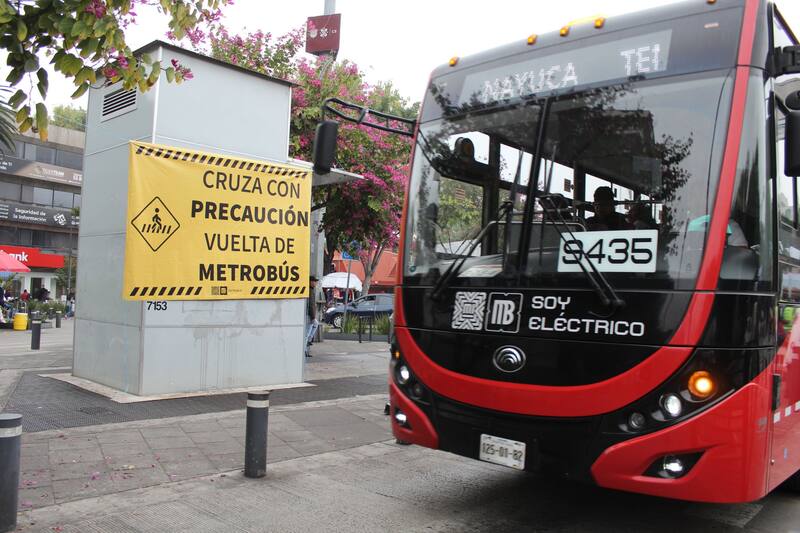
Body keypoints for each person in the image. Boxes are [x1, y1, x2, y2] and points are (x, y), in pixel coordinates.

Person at [305, 276, 319, 358]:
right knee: (307, 334)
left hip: (310, 315)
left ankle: (309, 340)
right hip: (309, 315)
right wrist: (313, 316)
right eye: (314, 281)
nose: (315, 283)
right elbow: (311, 305)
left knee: (315, 325)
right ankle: (305, 350)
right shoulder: (309, 290)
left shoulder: (312, 290)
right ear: (310, 282)